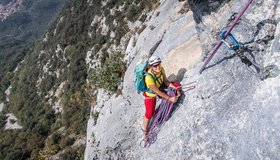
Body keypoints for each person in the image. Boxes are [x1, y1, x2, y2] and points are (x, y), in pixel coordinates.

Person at [142, 55, 181, 135]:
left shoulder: (161, 69)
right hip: (151, 94)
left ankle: (169, 97)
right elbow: (157, 92)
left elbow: (166, 81)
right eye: (155, 66)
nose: (157, 67)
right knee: (149, 114)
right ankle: (145, 130)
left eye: (159, 64)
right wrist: (170, 98)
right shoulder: (148, 78)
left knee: (177, 85)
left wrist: (175, 88)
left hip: (160, 87)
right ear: (151, 67)